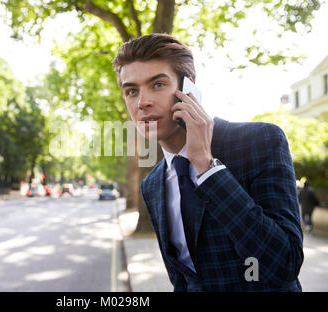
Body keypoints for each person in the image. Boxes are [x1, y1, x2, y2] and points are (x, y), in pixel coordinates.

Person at [112, 34, 303, 291]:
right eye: (131, 90)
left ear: (188, 88)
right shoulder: (152, 184)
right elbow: (182, 279)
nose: (142, 101)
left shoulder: (260, 141)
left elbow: (285, 264)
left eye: (157, 84)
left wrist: (206, 166)